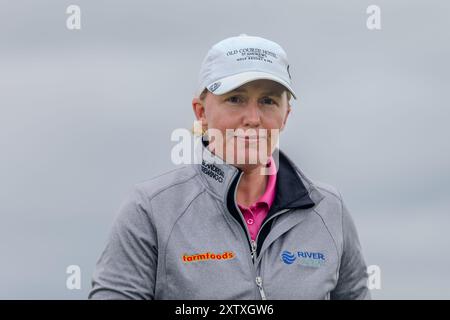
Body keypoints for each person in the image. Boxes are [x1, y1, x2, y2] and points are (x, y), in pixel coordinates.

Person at [89, 34, 371, 300]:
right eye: (235, 99)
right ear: (201, 113)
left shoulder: (328, 209)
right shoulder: (151, 210)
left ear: (286, 115)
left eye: (268, 101)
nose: (252, 118)